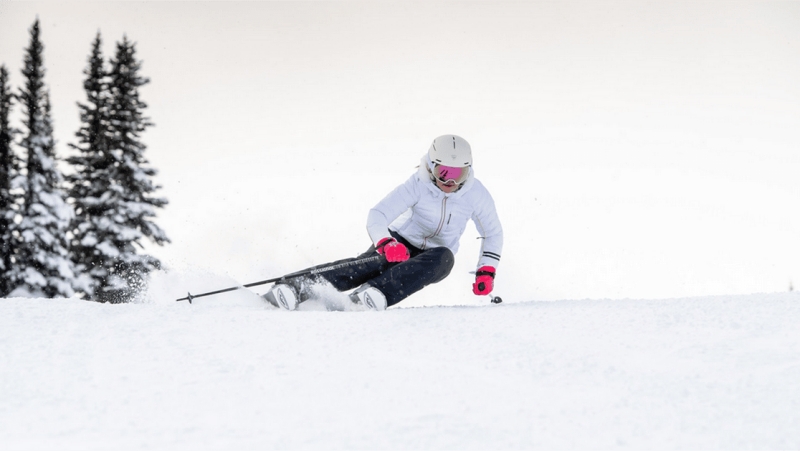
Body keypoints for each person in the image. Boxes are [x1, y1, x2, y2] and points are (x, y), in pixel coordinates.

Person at [264, 134, 503, 310]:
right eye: (443, 172)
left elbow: (493, 233)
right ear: (431, 166)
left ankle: (372, 295)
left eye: (457, 174)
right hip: (399, 241)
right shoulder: (417, 185)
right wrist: (386, 243)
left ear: (468, 171)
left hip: (434, 256)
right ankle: (294, 287)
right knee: (366, 265)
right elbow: (377, 214)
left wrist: (486, 271)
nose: (449, 182)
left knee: (445, 259)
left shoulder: (476, 194)